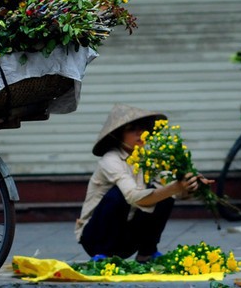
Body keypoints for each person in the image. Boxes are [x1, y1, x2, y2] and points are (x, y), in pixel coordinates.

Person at [74, 104, 211, 261]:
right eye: (132, 129)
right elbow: (133, 197)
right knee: (118, 195)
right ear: (119, 135)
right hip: (95, 238)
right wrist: (174, 187)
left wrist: (191, 185)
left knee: (165, 194)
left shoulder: (150, 159)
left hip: (127, 240)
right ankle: (102, 255)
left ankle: (147, 252)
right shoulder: (110, 159)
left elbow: (174, 190)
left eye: (143, 128)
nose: (140, 133)